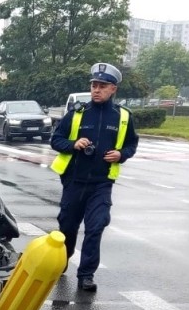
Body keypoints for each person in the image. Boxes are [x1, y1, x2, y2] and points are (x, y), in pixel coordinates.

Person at [49, 62, 139, 292]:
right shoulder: (78, 113)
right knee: (67, 227)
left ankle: (86, 275)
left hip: (102, 183)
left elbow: (131, 144)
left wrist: (121, 154)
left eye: (102, 86)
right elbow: (55, 140)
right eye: (93, 85)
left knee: (96, 226)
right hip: (74, 182)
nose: (96, 90)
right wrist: (73, 144)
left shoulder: (123, 117)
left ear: (113, 89)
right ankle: (62, 261)